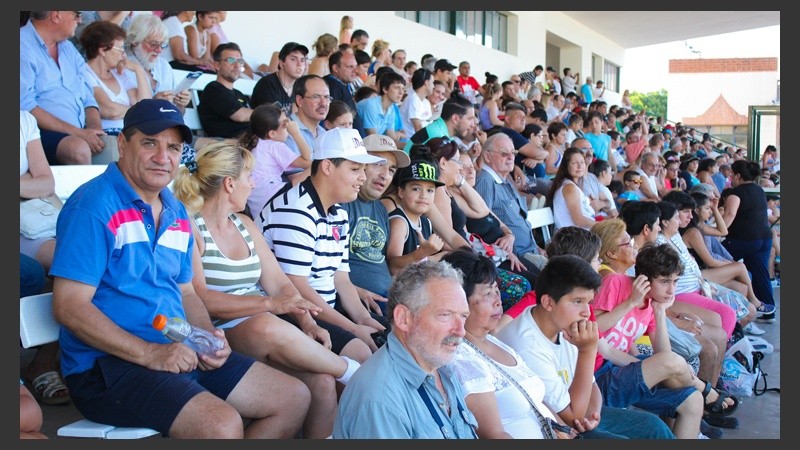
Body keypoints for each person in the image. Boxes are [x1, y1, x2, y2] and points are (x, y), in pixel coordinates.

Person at [50, 99, 310, 438]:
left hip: (177, 349)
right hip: (107, 367)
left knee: (292, 398)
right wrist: (150, 353)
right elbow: (69, 306)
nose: (163, 157)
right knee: (221, 425)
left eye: (173, 147)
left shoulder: (173, 210)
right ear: (122, 144)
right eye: (149, 143)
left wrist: (204, 339)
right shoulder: (94, 205)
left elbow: (186, 292)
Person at [172, 142, 363, 438]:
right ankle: (356, 375)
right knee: (265, 324)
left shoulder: (245, 223)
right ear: (230, 184)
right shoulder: (190, 225)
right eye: (249, 176)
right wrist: (269, 305)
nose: (255, 183)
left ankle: (344, 377)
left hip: (264, 324)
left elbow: (280, 283)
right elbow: (201, 298)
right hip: (219, 331)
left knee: (322, 383)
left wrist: (307, 321)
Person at [495, 253, 677, 439]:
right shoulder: (528, 344)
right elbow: (571, 418)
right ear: (548, 302)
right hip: (554, 427)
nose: (586, 312)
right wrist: (588, 350)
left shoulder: (563, 323)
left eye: (589, 302)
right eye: (577, 302)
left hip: (579, 412)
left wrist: (594, 414)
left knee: (654, 426)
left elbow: (591, 385)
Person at [260, 128, 388, 356]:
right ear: (328, 167)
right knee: (362, 353)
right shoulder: (296, 210)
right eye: (355, 169)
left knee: (388, 335)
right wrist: (353, 328)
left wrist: (365, 320)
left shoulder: (338, 212)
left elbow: (341, 278)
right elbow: (297, 287)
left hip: (325, 306)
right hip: (295, 312)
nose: (363, 177)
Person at [333, 260, 478, 439]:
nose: (461, 330)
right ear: (404, 319)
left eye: (463, 316)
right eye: (445, 315)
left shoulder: (441, 368)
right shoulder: (379, 400)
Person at [444, 249, 576, 439]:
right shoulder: (461, 359)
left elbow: (535, 401)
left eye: (497, 291)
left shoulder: (493, 340)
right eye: (488, 293)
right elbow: (494, 435)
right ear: (460, 302)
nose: (498, 301)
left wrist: (564, 430)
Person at [21, 11, 107, 165]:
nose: (80, 20)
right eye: (77, 14)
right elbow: (25, 105)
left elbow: (88, 98)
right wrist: (79, 134)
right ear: (56, 15)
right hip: (36, 131)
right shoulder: (21, 45)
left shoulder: (68, 48)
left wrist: (95, 130)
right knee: (78, 150)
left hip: (76, 132)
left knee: (117, 147)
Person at [342, 134, 410, 308]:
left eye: (392, 170)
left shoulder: (380, 208)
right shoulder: (343, 202)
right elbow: (326, 270)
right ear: (359, 164)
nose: (385, 175)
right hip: (355, 302)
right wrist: (356, 292)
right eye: (378, 164)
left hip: (387, 297)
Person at [80, 20, 152, 164]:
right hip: (111, 135)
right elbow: (109, 110)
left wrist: (138, 70)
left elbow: (145, 104)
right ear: (102, 49)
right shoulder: (85, 72)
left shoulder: (120, 73)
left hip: (134, 133)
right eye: (120, 49)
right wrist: (139, 112)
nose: (124, 55)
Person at [475, 133, 547, 276]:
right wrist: (508, 253)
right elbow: (485, 222)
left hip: (531, 251)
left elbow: (520, 221)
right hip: (516, 256)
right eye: (504, 153)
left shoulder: (505, 178)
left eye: (513, 153)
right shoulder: (485, 181)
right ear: (488, 157)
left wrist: (538, 248)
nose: (510, 157)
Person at [720, 160, 777, 322]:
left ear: (738, 175)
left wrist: (717, 233)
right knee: (761, 274)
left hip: (743, 239)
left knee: (711, 261)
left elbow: (729, 215)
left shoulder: (736, 193)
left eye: (732, 174)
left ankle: (733, 308)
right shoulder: (759, 190)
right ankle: (767, 312)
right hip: (764, 239)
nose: (731, 177)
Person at [239, 103, 312, 226]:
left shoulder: (255, 145)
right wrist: (296, 133)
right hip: (272, 195)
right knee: (320, 165)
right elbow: (307, 160)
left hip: (257, 203)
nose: (288, 129)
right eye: (285, 126)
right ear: (272, 134)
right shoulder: (275, 146)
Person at [386, 160, 446, 274]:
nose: (423, 195)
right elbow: (392, 266)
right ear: (401, 192)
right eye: (416, 189)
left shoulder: (426, 222)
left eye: (430, 190)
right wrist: (421, 253)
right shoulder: (399, 222)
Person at [124, 14, 192, 113]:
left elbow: (179, 114)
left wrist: (181, 103)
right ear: (135, 41)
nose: (159, 50)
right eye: (154, 44)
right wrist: (155, 102)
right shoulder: (124, 65)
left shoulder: (163, 65)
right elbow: (129, 112)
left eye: (163, 44)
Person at [197, 42, 253, 139]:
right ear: (217, 65)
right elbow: (240, 116)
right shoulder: (213, 89)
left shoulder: (239, 94)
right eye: (230, 60)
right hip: (227, 145)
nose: (236, 65)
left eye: (239, 61)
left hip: (249, 142)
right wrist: (267, 113)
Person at [546, 146, 603, 230]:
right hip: (572, 238)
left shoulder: (573, 185)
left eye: (582, 162)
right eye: (575, 163)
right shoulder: (569, 187)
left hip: (583, 234)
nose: (580, 166)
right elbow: (579, 220)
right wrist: (603, 226)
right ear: (566, 166)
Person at [250, 41, 309, 115]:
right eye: (293, 59)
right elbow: (272, 120)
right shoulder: (267, 85)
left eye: (302, 60)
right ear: (281, 63)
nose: (299, 64)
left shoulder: (299, 86)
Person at [357, 70, 406, 148]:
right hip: (359, 147)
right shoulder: (371, 105)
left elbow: (392, 140)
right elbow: (373, 139)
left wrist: (411, 146)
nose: (401, 92)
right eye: (397, 88)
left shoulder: (391, 109)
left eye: (403, 89)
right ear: (385, 89)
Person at [324, 50, 365, 136]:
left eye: (356, 66)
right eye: (350, 67)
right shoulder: (332, 86)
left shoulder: (343, 85)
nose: (356, 71)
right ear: (335, 68)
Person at [207, 11, 256, 79]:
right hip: (226, 70)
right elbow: (219, 56)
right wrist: (243, 70)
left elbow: (236, 56)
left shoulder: (218, 27)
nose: (226, 12)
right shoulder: (212, 29)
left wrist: (246, 67)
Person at [400, 68, 435, 139]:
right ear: (426, 82)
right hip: (409, 142)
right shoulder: (413, 98)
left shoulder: (426, 102)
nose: (433, 86)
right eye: (432, 82)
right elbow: (418, 128)